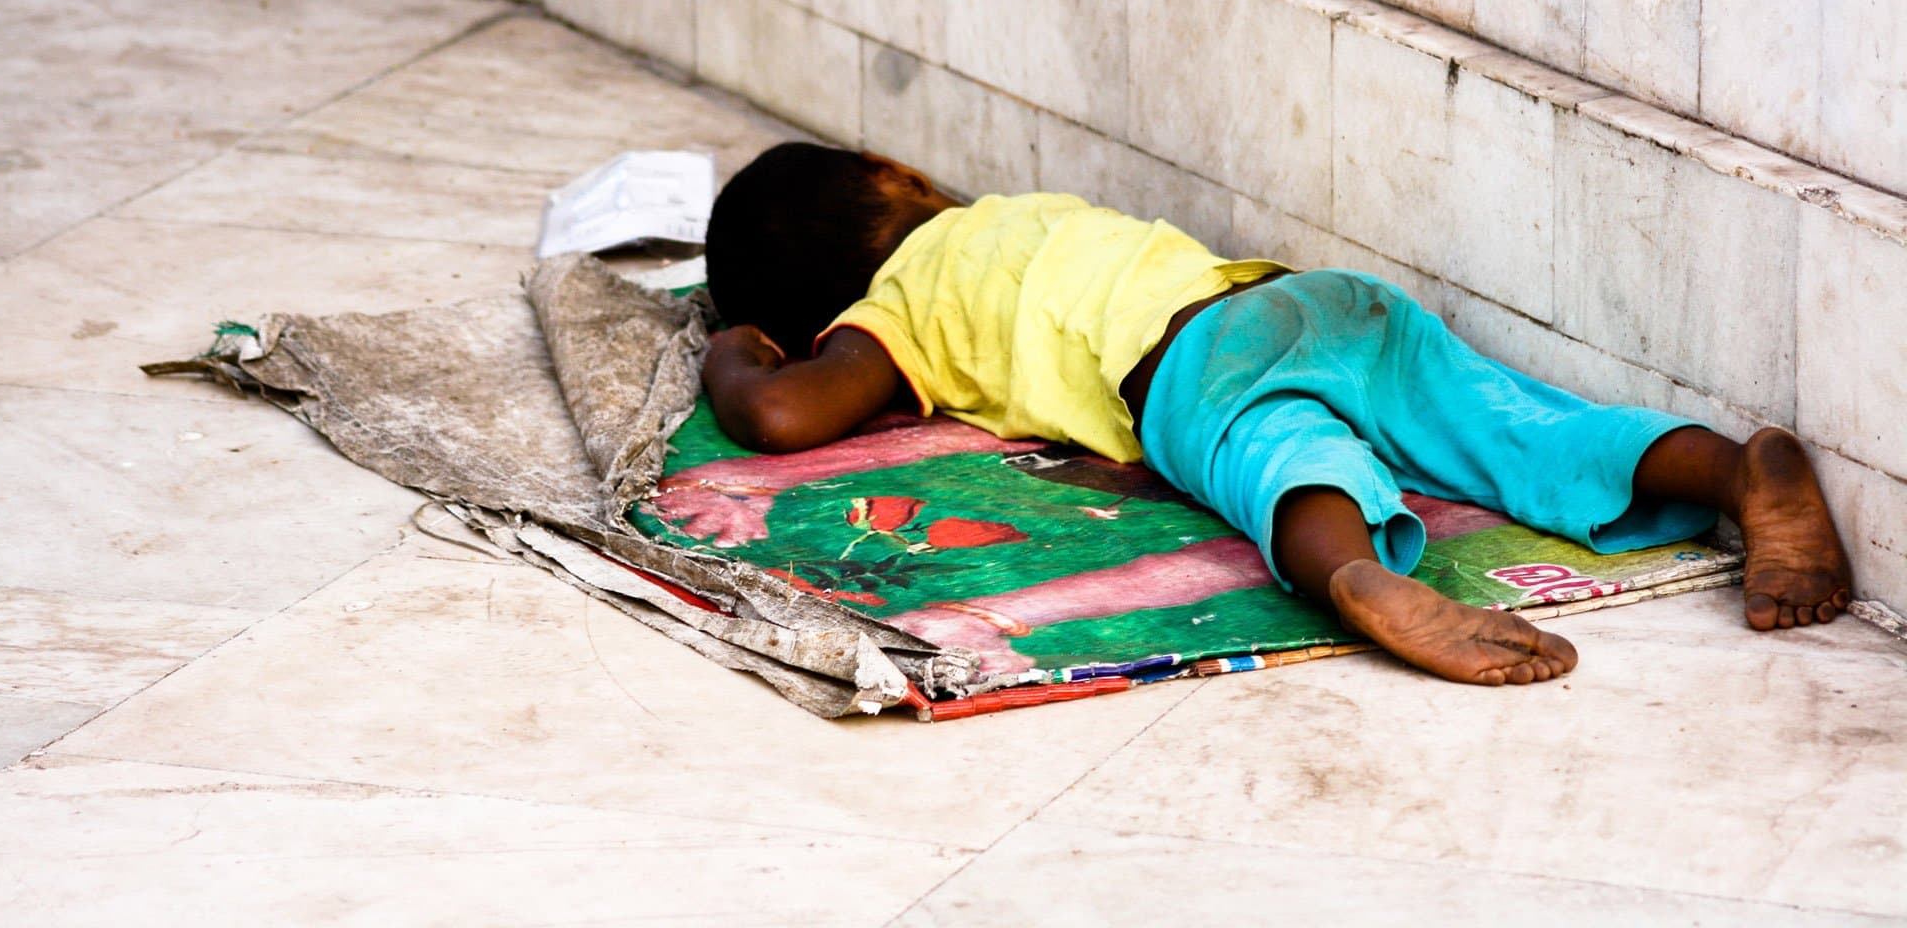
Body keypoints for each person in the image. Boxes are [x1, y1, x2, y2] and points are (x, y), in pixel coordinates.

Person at [701, 143, 1853, 686]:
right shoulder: (1014, 212)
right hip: (1314, 299)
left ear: (822, 310)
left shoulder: (898, 300)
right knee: (1522, 428)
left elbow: (784, 414)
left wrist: (733, 354)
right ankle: (1735, 470)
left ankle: (1354, 572)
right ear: (892, 172)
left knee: (1286, 457)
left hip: (1194, 362)